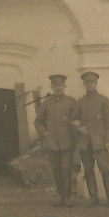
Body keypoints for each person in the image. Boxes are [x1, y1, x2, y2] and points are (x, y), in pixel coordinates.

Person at [73, 71, 109, 207]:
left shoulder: (104, 100)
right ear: (84, 84)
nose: (89, 85)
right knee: (88, 169)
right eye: (87, 83)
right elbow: (74, 119)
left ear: (96, 83)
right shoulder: (81, 102)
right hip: (85, 141)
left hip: (100, 141)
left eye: (92, 82)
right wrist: (78, 127)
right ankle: (94, 197)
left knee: (104, 168)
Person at [34, 74, 79, 207]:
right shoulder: (46, 102)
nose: (58, 88)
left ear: (64, 86)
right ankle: (61, 197)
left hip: (67, 142)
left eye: (60, 85)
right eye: (55, 85)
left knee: (66, 170)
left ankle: (68, 198)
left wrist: (75, 129)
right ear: (52, 87)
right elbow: (38, 122)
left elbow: (77, 119)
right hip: (52, 143)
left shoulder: (71, 101)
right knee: (56, 170)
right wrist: (45, 133)